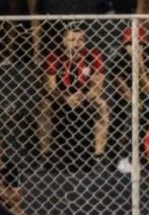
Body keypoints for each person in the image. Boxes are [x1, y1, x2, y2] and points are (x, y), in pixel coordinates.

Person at [37, 24, 110, 162]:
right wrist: (65, 99)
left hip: (84, 98)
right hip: (60, 99)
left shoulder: (94, 55)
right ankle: (45, 153)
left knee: (102, 105)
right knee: (44, 105)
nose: (76, 44)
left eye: (80, 40)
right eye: (72, 40)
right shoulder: (54, 57)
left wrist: (83, 96)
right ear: (64, 42)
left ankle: (99, 153)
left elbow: (98, 87)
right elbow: (50, 87)